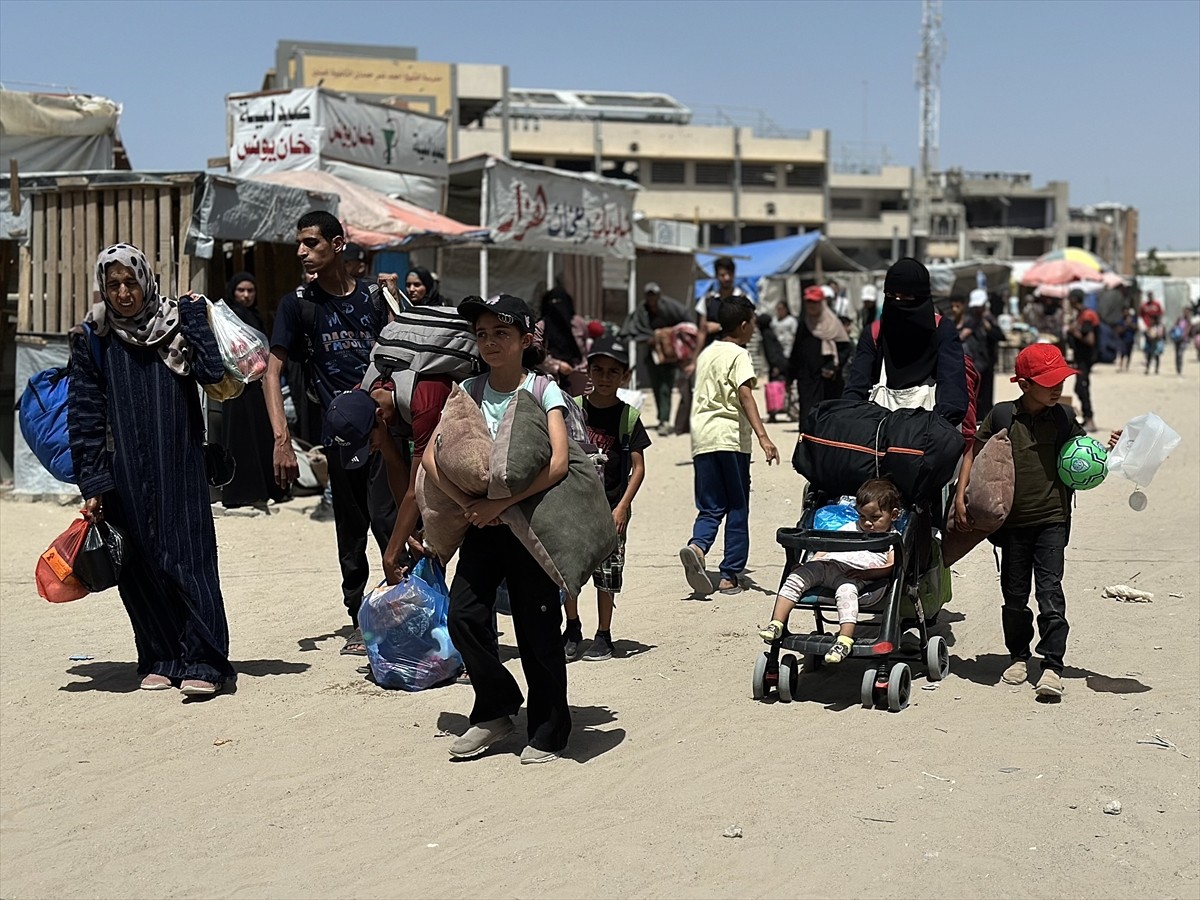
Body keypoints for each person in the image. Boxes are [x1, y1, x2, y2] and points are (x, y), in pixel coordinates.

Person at [68, 243, 235, 695]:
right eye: (113, 284)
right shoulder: (93, 339)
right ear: (103, 287)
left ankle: (204, 660)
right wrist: (94, 482)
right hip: (124, 473)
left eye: (131, 281)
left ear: (146, 279)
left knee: (190, 559)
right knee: (138, 567)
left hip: (179, 464)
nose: (124, 293)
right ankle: (161, 655)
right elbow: (84, 413)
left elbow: (212, 375)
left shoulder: (175, 324)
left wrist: (196, 319)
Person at [423, 293, 573, 765]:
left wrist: (501, 504)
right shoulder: (466, 390)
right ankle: (496, 711)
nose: (489, 342)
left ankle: (549, 729)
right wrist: (469, 502)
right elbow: (430, 455)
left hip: (530, 525)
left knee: (538, 630)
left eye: (501, 333)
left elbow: (560, 463)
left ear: (526, 340)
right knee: (464, 617)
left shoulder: (542, 390)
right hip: (482, 526)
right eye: (482, 334)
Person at [263, 211, 395, 656]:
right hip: (341, 436)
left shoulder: (376, 299)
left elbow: (406, 351)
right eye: (299, 244)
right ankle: (360, 616)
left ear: (338, 245)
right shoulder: (298, 304)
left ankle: (414, 603)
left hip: (388, 431)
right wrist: (282, 439)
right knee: (352, 528)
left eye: (312, 243)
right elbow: (272, 367)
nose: (302, 252)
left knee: (394, 521)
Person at [961, 344, 1121, 699]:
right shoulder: (1002, 416)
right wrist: (961, 497)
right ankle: (1019, 656)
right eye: (1048, 382)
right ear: (1024, 384)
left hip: (1052, 520)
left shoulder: (1064, 418)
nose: (1057, 388)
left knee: (1050, 594)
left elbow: (1084, 457)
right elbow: (973, 455)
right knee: (1014, 595)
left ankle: (1052, 665)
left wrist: (1109, 448)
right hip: (1012, 523)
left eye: (1060, 380)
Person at [678, 296, 780, 597]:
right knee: (737, 504)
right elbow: (744, 394)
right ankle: (729, 574)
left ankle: (697, 547)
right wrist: (763, 436)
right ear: (745, 325)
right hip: (731, 438)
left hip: (704, 439)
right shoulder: (738, 353)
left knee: (711, 504)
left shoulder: (708, 353)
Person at [562, 336, 651, 662]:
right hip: (574, 508)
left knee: (608, 574)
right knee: (568, 571)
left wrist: (623, 506)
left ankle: (603, 634)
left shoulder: (628, 417)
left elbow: (639, 469)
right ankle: (572, 628)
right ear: (588, 371)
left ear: (624, 377)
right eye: (597, 369)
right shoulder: (572, 410)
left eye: (613, 372)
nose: (604, 377)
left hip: (611, 510)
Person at [324, 367, 453, 585]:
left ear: (380, 416)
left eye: (367, 444)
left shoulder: (423, 402)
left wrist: (390, 557)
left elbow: (415, 488)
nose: (370, 450)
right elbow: (394, 463)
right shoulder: (364, 400)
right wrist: (410, 533)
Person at [759, 478, 901, 662]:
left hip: (854, 575)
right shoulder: (851, 527)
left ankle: (844, 639)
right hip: (827, 565)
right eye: (862, 517)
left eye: (874, 518)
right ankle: (776, 623)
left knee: (846, 592)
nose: (866, 524)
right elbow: (827, 546)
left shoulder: (893, 538)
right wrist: (811, 561)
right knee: (795, 577)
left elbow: (891, 566)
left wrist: (867, 574)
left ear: (894, 515)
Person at [843, 257, 968, 427]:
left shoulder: (941, 331)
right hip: (880, 434)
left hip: (932, 435)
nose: (898, 303)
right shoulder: (874, 334)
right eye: (891, 296)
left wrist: (930, 431)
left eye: (906, 296)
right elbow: (856, 389)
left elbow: (953, 396)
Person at [217, 272, 287, 510]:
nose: (246, 295)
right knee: (239, 438)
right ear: (233, 292)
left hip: (257, 386)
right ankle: (242, 491)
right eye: (241, 291)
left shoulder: (255, 317)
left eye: (250, 291)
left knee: (261, 435)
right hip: (236, 386)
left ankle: (267, 487)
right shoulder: (226, 318)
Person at [685, 256, 750, 435]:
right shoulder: (707, 300)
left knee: (739, 397)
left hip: (736, 355)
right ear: (716, 276)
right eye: (722, 274)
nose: (726, 278)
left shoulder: (743, 299)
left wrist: (720, 326)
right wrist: (694, 360)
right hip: (712, 355)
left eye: (729, 274)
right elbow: (702, 330)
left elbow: (749, 326)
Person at [622, 282, 691, 436]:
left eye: (654, 295)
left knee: (666, 387)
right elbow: (633, 328)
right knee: (656, 386)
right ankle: (662, 417)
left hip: (669, 356)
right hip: (652, 354)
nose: (652, 298)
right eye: (649, 295)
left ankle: (665, 421)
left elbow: (686, 319)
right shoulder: (642, 310)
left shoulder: (670, 307)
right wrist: (649, 338)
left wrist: (671, 335)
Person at [789, 285, 852, 428]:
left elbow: (845, 348)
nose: (811, 306)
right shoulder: (804, 324)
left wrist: (832, 366)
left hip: (829, 381)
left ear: (822, 302)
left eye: (815, 302)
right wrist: (789, 375)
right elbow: (797, 350)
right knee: (807, 418)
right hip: (807, 380)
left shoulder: (833, 324)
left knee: (828, 417)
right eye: (809, 302)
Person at [539, 279, 589, 396]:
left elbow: (586, 350)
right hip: (550, 380)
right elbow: (536, 356)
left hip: (577, 379)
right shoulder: (542, 326)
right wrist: (557, 365)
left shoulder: (577, 323)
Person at [1066, 290, 1100, 431]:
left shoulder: (1087, 316)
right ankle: (1087, 417)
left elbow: (1090, 340)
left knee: (1082, 387)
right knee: (1078, 388)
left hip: (1086, 359)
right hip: (1080, 358)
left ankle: (1090, 419)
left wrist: (1074, 333)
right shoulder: (1080, 315)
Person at [1143, 309, 1166, 375]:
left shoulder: (1159, 327)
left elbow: (1161, 335)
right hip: (1150, 343)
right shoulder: (1150, 326)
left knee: (1157, 356)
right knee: (1149, 357)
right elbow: (1146, 333)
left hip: (1156, 343)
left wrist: (1155, 337)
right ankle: (1147, 369)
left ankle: (1156, 369)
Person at [1115, 307, 1138, 373]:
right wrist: (1125, 326)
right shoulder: (1120, 321)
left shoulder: (1132, 319)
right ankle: (1121, 366)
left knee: (1129, 353)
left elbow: (1136, 328)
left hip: (1130, 339)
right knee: (1122, 353)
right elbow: (1118, 330)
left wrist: (1130, 324)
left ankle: (1127, 366)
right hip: (1123, 339)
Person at [1170, 311, 1190, 377]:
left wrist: (1184, 335)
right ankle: (1178, 369)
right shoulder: (1180, 320)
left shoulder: (1188, 322)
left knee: (1180, 354)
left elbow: (1188, 330)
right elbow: (1172, 328)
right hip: (1177, 340)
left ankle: (1179, 369)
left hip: (1183, 340)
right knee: (1177, 354)